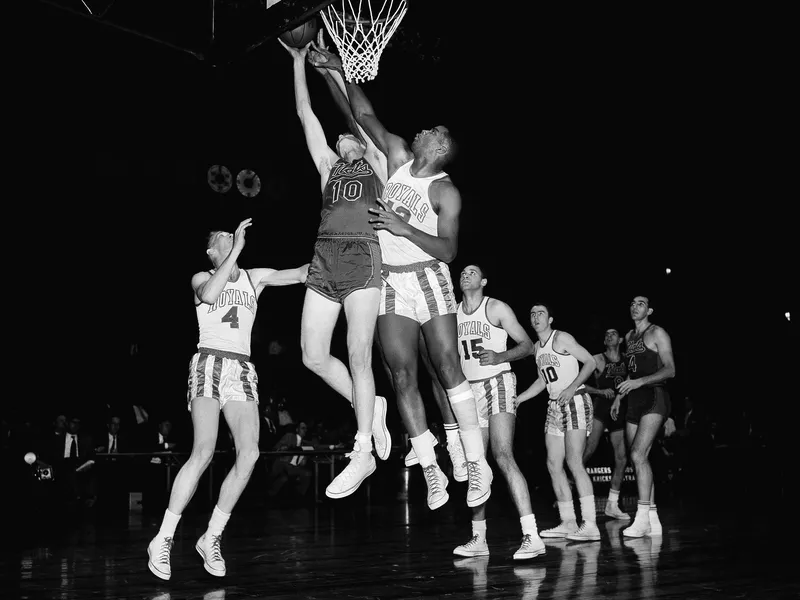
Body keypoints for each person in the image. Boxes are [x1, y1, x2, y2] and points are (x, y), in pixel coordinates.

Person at [310, 45, 493, 510]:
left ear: (440, 148)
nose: (421, 129)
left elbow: (449, 251)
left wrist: (402, 226)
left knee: (448, 367)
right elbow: (364, 113)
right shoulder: (394, 156)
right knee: (401, 372)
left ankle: (475, 463)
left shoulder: (445, 191)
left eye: (431, 130)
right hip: (389, 280)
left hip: (429, 278)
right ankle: (431, 468)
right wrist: (338, 70)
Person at [146, 218, 308, 581]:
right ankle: (164, 538)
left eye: (231, 235)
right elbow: (208, 296)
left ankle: (212, 536)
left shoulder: (254, 277)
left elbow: (299, 273)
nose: (230, 236)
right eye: (222, 237)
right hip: (208, 362)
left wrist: (340, 250)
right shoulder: (200, 278)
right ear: (211, 251)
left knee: (250, 453)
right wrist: (235, 250)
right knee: (203, 450)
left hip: (242, 369)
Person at [280, 40, 392, 500]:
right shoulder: (328, 167)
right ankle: (372, 405)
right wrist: (298, 62)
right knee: (311, 355)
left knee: (359, 352)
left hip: (364, 256)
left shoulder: (380, 164)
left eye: (349, 136)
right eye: (340, 137)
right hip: (325, 256)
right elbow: (307, 114)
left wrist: (341, 72)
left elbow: (359, 118)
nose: (342, 137)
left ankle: (361, 449)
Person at [450, 265, 545, 560]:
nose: (466, 274)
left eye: (473, 271)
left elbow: (528, 346)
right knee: (476, 463)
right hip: (468, 391)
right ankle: (479, 539)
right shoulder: (452, 312)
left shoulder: (496, 307)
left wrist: (500, 356)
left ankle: (532, 535)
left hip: (497, 383)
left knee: (503, 454)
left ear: (484, 280)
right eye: (463, 271)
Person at [516, 303, 600, 542]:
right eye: (532, 313)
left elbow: (590, 362)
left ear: (550, 319)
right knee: (553, 464)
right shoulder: (536, 348)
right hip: (554, 405)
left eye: (540, 313)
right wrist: (519, 398)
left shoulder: (561, 338)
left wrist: (572, 387)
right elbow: (543, 381)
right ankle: (568, 522)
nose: (535, 316)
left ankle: (591, 524)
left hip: (575, 400)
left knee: (574, 461)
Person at [612, 295, 676, 537]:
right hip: (634, 399)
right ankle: (652, 518)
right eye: (631, 303)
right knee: (638, 457)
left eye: (640, 303)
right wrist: (619, 396)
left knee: (638, 454)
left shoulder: (658, 332)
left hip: (654, 396)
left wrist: (639, 382)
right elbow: (632, 373)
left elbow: (670, 370)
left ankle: (641, 518)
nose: (634, 306)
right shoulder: (628, 337)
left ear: (649, 309)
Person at [581, 328, 630, 520]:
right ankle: (569, 485)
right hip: (600, 408)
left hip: (619, 410)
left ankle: (612, 504)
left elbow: (635, 377)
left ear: (619, 339)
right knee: (588, 450)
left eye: (613, 334)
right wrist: (600, 392)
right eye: (606, 334)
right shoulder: (596, 359)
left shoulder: (627, 359)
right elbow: (579, 384)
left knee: (622, 456)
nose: (608, 336)